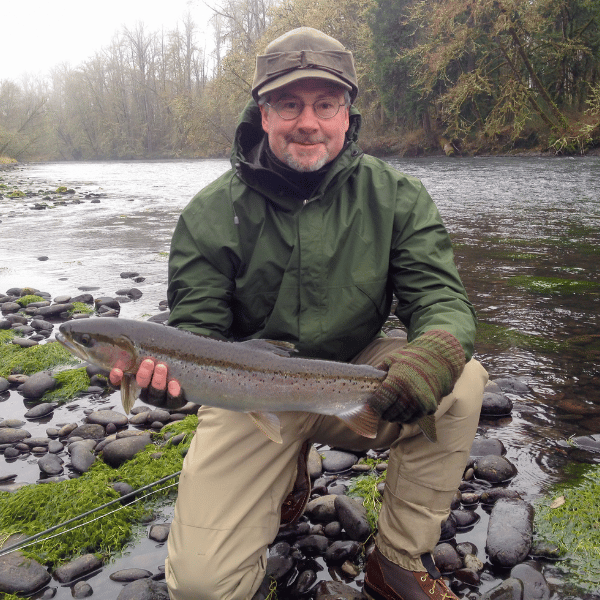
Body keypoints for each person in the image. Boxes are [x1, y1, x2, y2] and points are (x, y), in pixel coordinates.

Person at [111, 27, 488, 600]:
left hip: (355, 377)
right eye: (289, 103)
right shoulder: (212, 213)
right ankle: (287, 470)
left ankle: (397, 558)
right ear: (264, 114)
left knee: (462, 379)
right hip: (250, 392)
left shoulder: (397, 197)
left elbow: (440, 300)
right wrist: (168, 385)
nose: (307, 121)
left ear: (347, 114)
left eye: (324, 103)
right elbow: (196, 335)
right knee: (202, 587)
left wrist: (432, 354)